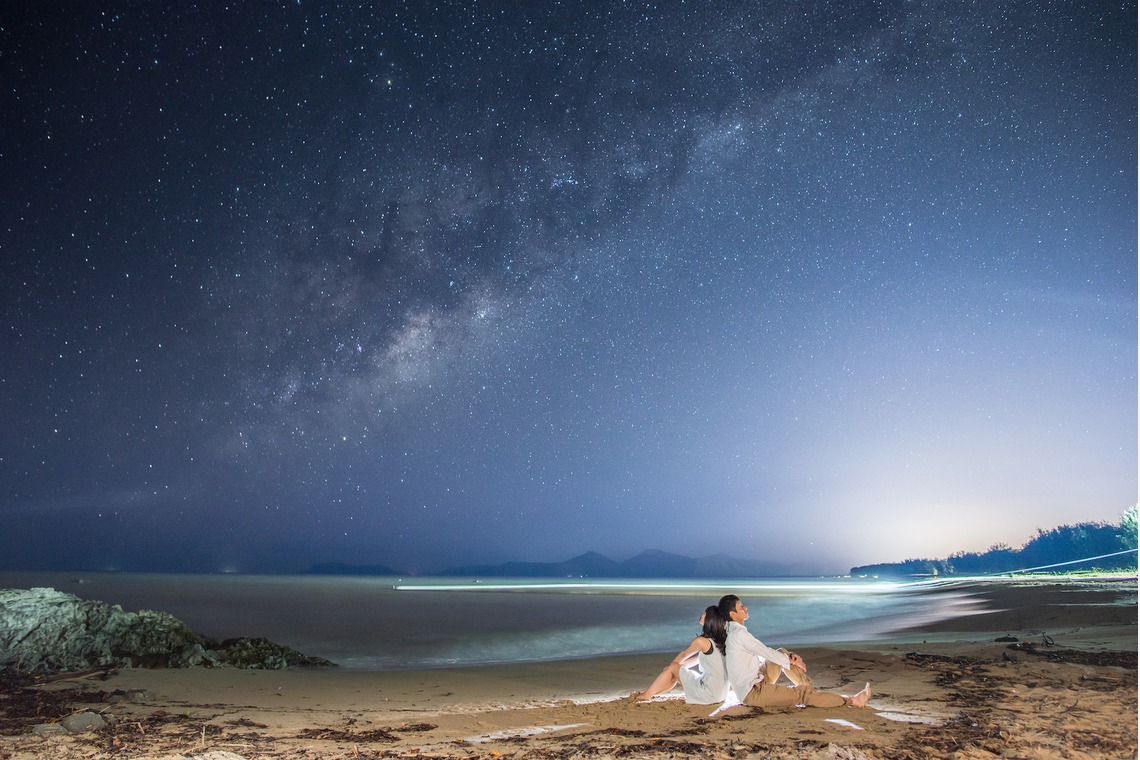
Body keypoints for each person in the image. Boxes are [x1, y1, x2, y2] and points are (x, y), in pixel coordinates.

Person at [717, 594, 871, 710]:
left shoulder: (734, 632)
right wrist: (791, 660)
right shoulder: (739, 634)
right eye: (741, 606)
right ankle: (852, 701)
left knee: (782, 652)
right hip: (753, 693)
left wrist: (788, 657)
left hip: (755, 681)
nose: (745, 608)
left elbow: (766, 653)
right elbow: (765, 652)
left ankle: (811, 692)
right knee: (801, 694)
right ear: (733, 614)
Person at [631, 605, 730, 704]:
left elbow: (683, 655)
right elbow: (695, 660)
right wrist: (675, 668)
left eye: (705, 613)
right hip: (721, 693)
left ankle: (647, 694)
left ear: (710, 619)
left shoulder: (701, 641)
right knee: (673, 669)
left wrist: (672, 667)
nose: (702, 614)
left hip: (709, 693)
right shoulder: (719, 642)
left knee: (672, 668)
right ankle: (650, 692)